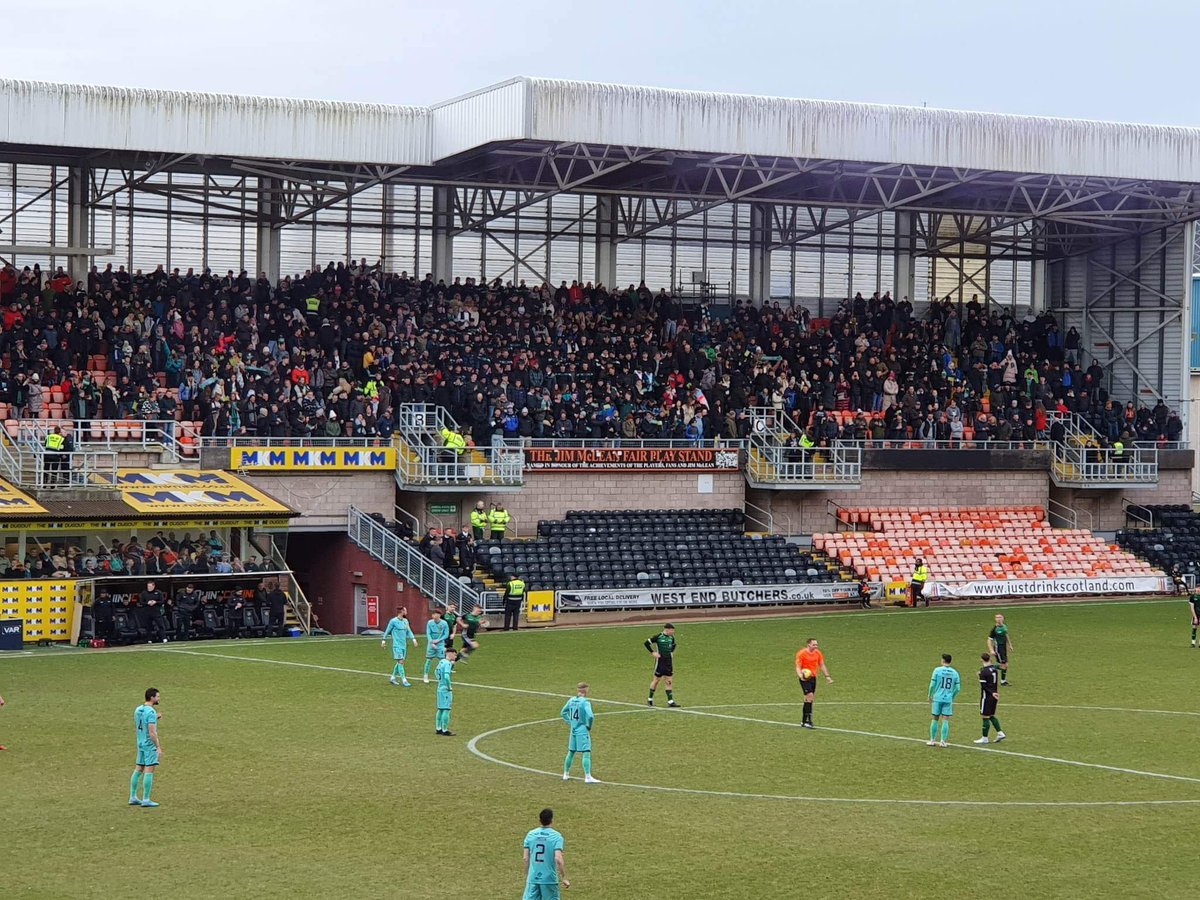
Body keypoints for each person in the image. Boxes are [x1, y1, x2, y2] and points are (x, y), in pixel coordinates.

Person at [523, 808, 569, 899]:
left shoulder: (531, 835)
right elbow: (558, 859)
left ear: (539, 820)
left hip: (533, 878)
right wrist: (563, 877)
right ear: (552, 820)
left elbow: (525, 858)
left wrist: (528, 875)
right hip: (549, 879)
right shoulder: (556, 836)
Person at [130, 687, 163, 807]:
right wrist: (158, 747)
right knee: (149, 770)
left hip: (140, 742)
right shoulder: (151, 712)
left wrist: (155, 717)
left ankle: (133, 796)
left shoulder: (138, 709)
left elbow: (141, 723)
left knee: (138, 768)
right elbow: (152, 732)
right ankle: (146, 799)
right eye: (158, 696)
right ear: (152, 697)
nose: (159, 698)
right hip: (149, 744)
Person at [561, 682, 599, 783]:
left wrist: (570, 721)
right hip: (582, 730)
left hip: (573, 729)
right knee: (586, 752)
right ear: (585, 690)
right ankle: (588, 776)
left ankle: (566, 774)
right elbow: (590, 716)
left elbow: (563, 712)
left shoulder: (572, 700)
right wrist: (588, 725)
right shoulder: (585, 702)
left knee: (571, 751)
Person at [794, 637, 833, 728]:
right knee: (810, 695)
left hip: (813, 677)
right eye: (814, 644)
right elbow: (798, 666)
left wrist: (827, 676)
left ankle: (804, 721)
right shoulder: (802, 653)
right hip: (805, 678)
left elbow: (822, 664)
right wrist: (800, 675)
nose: (816, 646)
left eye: (816, 644)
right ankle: (808, 721)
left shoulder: (818, 653)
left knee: (809, 698)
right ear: (809, 645)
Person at [928, 653, 961, 747]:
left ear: (943, 660)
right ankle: (942, 741)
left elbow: (932, 685)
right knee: (945, 720)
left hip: (937, 698)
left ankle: (932, 740)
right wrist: (952, 696)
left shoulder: (937, 670)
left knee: (935, 718)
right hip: (948, 699)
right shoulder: (955, 673)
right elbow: (958, 688)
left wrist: (930, 695)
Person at [973, 652, 1006, 745]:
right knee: (991, 715)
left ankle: (984, 738)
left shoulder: (983, 671)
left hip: (987, 696)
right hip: (995, 696)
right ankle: (1000, 733)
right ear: (990, 659)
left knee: (985, 716)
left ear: (981, 659)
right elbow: (999, 666)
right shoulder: (994, 669)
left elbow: (984, 686)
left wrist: (979, 676)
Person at [381, 606, 418, 686]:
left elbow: (409, 631)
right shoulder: (393, 621)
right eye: (405, 610)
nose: (406, 612)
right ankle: (404, 680)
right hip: (397, 645)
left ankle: (393, 678)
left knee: (400, 662)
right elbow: (387, 631)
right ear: (402, 611)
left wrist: (413, 639)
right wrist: (383, 640)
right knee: (401, 661)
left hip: (404, 645)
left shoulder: (405, 621)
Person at [645, 624, 680, 708]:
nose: (673, 632)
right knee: (656, 680)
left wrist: (671, 652)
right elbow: (646, 643)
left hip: (668, 662)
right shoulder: (658, 637)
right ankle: (650, 699)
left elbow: (674, 645)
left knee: (669, 681)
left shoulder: (671, 638)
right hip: (660, 661)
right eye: (672, 630)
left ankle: (670, 701)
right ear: (667, 630)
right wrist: (653, 652)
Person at [435, 646, 457, 736]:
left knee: (440, 709)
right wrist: (449, 686)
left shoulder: (441, 662)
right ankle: (445, 730)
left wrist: (440, 680)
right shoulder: (448, 663)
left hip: (439, 688)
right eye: (455, 655)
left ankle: (438, 728)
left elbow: (435, 672)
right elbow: (447, 677)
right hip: (445, 690)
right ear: (450, 654)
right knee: (446, 709)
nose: (455, 657)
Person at [423, 608, 449, 683]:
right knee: (428, 659)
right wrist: (431, 642)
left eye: (436, 614)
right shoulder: (430, 623)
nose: (434, 615)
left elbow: (446, 634)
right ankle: (425, 675)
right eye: (433, 614)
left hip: (440, 644)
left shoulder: (444, 623)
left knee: (442, 661)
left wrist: (439, 640)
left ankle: (440, 675)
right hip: (431, 644)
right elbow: (428, 633)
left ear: (439, 615)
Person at [987, 613, 1013, 685]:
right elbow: (989, 640)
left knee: (1005, 665)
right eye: (997, 617)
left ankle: (1003, 681)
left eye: (1000, 617)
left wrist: (1010, 645)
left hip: (1004, 648)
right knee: (1004, 665)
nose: (999, 619)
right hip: (998, 648)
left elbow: (1006, 635)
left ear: (1003, 618)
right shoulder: (994, 629)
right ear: (995, 619)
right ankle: (988, 669)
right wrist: (991, 650)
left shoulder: (1004, 626)